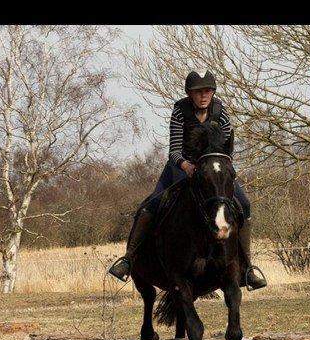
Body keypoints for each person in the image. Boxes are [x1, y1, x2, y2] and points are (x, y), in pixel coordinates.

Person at [108, 70, 267, 290]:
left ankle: (248, 267)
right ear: (189, 94)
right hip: (182, 166)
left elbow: (225, 150)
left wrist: (215, 168)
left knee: (245, 204)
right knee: (152, 204)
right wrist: (186, 166)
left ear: (213, 92)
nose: (204, 95)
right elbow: (173, 151)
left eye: (208, 91)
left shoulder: (220, 112)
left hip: (210, 170)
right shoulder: (180, 111)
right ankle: (128, 259)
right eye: (198, 91)